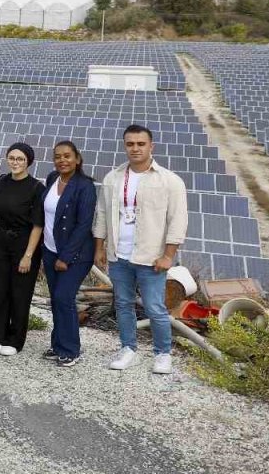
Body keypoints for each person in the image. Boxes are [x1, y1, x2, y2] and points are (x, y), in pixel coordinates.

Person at [95, 125, 188, 375]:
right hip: (119, 255)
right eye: (130, 144)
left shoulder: (170, 181)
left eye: (140, 144)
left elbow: (177, 220)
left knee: (154, 307)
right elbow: (102, 214)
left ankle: (162, 353)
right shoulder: (113, 178)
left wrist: (168, 255)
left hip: (151, 257)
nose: (135, 148)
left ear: (151, 146)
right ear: (125, 145)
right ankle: (128, 348)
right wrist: (100, 247)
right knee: (123, 304)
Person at [41, 141, 97, 368]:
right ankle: (58, 344)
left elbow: (84, 225)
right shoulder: (52, 179)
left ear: (77, 159)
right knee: (56, 299)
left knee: (64, 297)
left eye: (67, 156)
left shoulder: (85, 186)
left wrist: (65, 257)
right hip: (50, 249)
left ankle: (71, 349)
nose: (62, 160)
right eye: (57, 157)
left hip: (75, 255)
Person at [0, 142, 45, 357]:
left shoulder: (36, 188)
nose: (15, 162)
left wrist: (28, 255)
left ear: (28, 161)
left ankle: (15, 340)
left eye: (20, 159)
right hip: (1, 240)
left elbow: (38, 224)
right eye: (12, 157)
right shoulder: (2, 181)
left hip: (24, 242)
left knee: (20, 293)